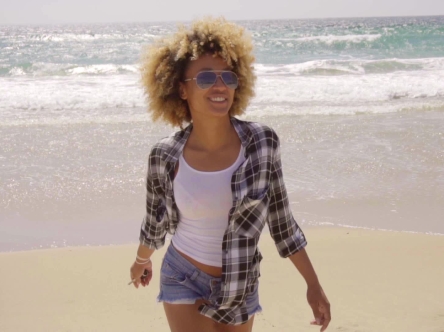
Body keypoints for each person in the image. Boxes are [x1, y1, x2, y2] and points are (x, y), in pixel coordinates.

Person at [129, 17, 331, 332]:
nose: (220, 85)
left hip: (241, 280)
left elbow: (282, 222)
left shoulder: (262, 143)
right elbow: (156, 223)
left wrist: (313, 284)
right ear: (181, 89)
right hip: (183, 274)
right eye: (207, 77)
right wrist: (142, 261)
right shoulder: (164, 156)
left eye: (228, 77)